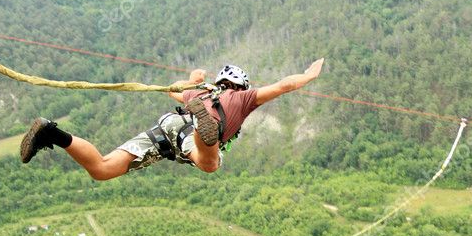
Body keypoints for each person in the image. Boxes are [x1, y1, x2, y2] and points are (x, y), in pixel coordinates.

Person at [19, 59, 324, 179]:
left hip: (168, 126)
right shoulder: (244, 99)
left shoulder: (200, 93)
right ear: (242, 86)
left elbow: (174, 93)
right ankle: (209, 138)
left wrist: (194, 81)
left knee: (103, 168)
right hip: (188, 137)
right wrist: (309, 75)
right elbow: (284, 85)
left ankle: (52, 133)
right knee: (211, 163)